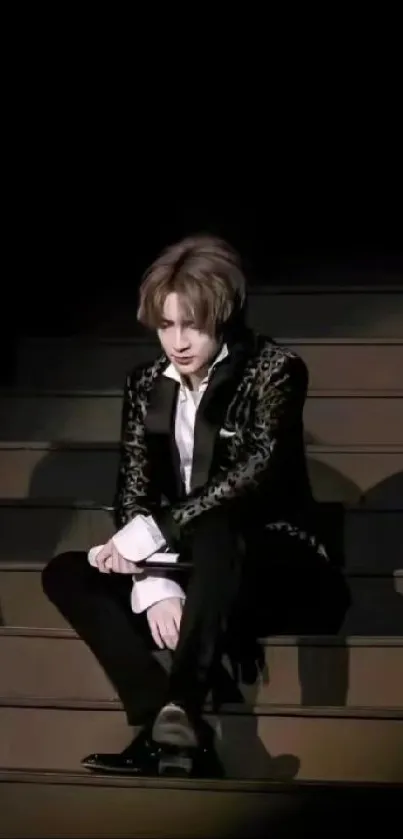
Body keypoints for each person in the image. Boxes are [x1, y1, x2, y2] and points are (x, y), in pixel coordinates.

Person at [42, 234, 347, 779]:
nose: (177, 342)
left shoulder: (273, 370)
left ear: (223, 317)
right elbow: (133, 488)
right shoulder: (145, 384)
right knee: (68, 572)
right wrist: (153, 584)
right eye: (166, 325)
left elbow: (249, 478)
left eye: (193, 325)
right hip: (190, 560)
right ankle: (167, 721)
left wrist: (150, 538)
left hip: (272, 561)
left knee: (217, 525)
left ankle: (182, 705)